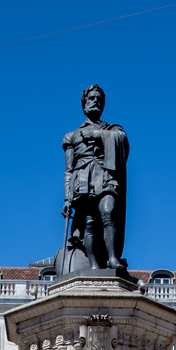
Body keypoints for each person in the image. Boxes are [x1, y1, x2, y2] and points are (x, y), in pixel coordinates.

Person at [62, 84, 129, 272]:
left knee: (108, 212)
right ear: (84, 104)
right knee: (89, 222)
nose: (95, 102)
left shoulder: (112, 129)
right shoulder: (71, 136)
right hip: (83, 180)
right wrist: (67, 198)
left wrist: (98, 135)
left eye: (99, 99)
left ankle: (113, 258)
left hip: (106, 176)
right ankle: (94, 264)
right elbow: (68, 169)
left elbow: (122, 141)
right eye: (91, 98)